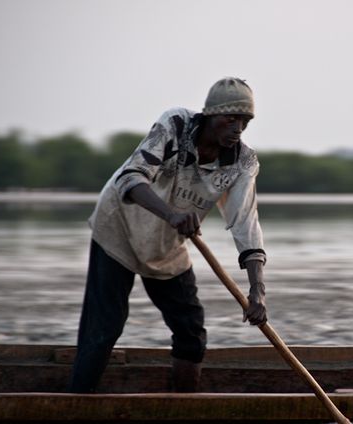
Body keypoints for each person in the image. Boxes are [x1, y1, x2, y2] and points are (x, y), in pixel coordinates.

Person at [68, 77, 267, 393]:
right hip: (118, 228)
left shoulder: (242, 162)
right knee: (105, 327)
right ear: (210, 115)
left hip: (166, 246)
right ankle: (74, 401)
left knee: (190, 330)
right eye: (231, 118)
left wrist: (256, 289)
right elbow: (131, 178)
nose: (238, 128)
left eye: (245, 120)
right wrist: (172, 215)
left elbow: (246, 222)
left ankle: (183, 404)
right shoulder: (175, 125)